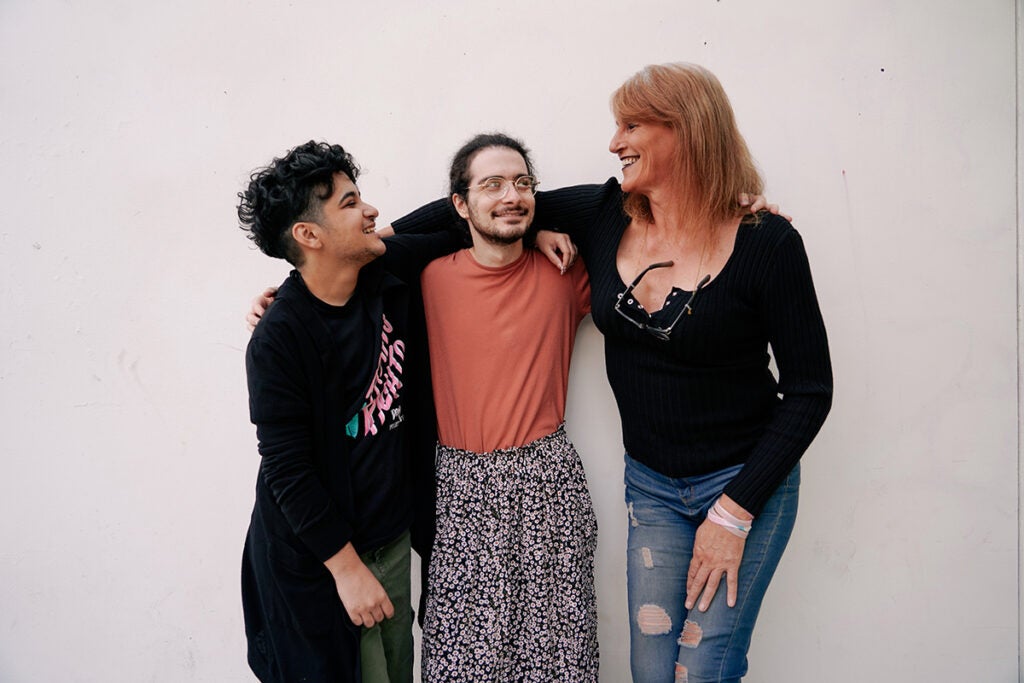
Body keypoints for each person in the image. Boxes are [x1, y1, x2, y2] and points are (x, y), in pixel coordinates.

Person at [522, 63, 833, 683]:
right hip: (652, 490)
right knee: (651, 672)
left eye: (631, 126)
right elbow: (486, 209)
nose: (614, 142)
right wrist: (353, 256)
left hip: (745, 485)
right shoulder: (604, 213)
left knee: (703, 671)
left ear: (686, 130)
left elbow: (809, 391)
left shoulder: (767, 243)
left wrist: (733, 514)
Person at [237, 140, 455, 683]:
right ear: (308, 235)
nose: (371, 210)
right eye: (350, 203)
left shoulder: (383, 276)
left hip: (391, 540)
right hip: (319, 561)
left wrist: (533, 231)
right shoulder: (279, 338)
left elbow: (461, 214)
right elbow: (288, 470)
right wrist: (347, 570)